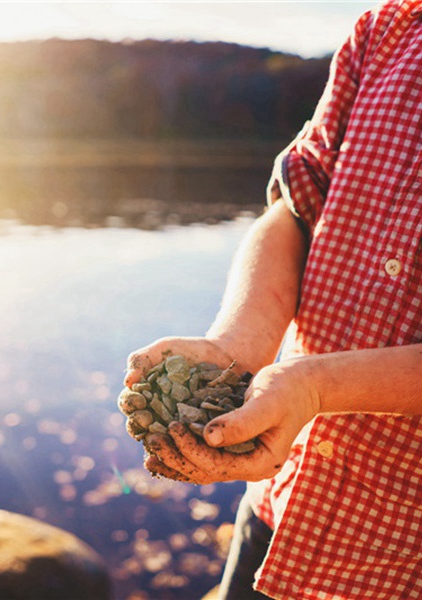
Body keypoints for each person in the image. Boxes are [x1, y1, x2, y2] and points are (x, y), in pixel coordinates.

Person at [122, 1, 422, 598]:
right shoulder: (389, 27)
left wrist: (315, 387)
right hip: (281, 509)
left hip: (398, 560)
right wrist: (238, 345)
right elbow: (295, 207)